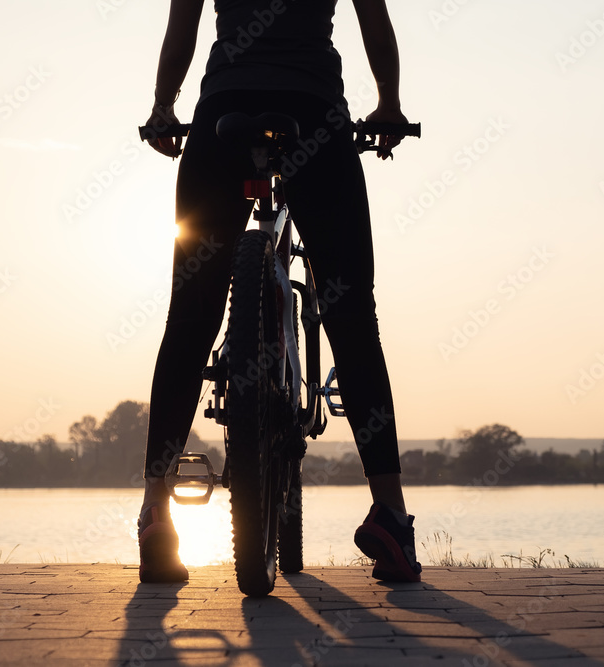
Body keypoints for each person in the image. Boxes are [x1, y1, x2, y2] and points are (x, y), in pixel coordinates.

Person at [136, 0, 422, 585]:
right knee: (350, 315)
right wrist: (389, 104)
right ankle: (390, 515)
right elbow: (374, 21)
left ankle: (155, 512)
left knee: (190, 317)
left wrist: (164, 108)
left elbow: (181, 27)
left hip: (223, 118)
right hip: (314, 113)